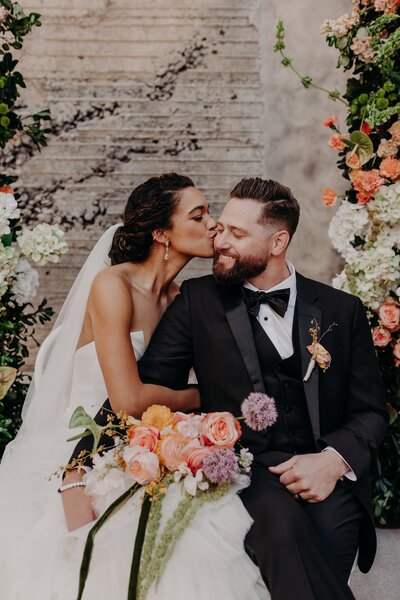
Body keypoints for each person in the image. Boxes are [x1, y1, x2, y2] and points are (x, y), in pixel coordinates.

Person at [72, 177, 387, 599]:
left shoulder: (339, 310)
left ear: (278, 242)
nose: (220, 240)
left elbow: (370, 411)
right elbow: (142, 391)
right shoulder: (196, 302)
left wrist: (332, 461)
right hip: (248, 472)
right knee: (283, 531)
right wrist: (76, 468)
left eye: (237, 233)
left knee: (333, 534)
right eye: (221, 228)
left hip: (324, 470)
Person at [0, 174, 268, 600]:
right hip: (84, 446)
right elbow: (127, 400)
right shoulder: (113, 286)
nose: (214, 224)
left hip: (147, 442)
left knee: (205, 529)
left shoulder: (182, 298)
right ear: (162, 233)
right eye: (198, 216)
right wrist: (208, 398)